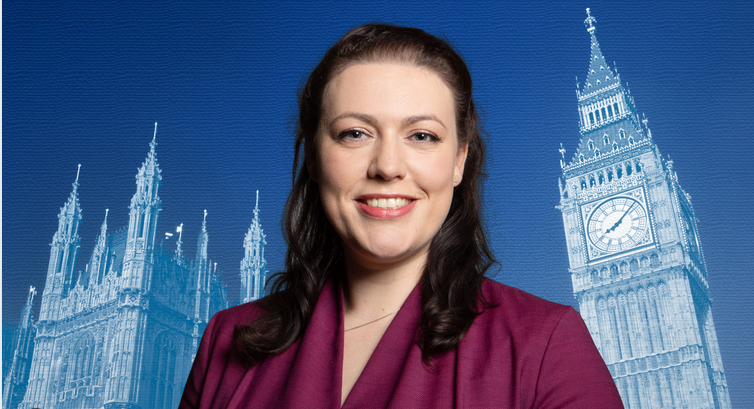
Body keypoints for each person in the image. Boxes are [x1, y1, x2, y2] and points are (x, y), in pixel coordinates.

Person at [180, 24, 623, 408]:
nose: (388, 166)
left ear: (459, 160)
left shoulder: (544, 346)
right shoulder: (228, 341)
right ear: (313, 156)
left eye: (422, 135)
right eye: (355, 133)